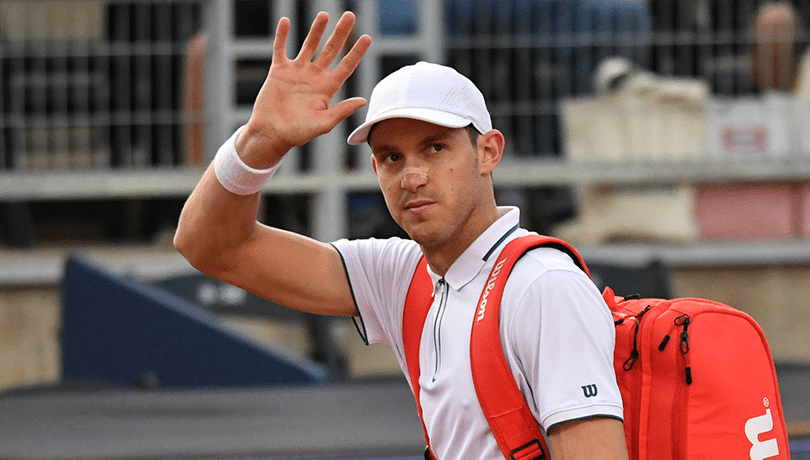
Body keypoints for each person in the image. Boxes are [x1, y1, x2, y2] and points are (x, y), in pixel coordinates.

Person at [175, 11, 628, 460]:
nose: (411, 175)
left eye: (435, 148)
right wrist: (260, 140)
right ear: (374, 169)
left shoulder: (544, 285)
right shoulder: (400, 273)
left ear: (488, 152)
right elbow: (208, 246)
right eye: (392, 157)